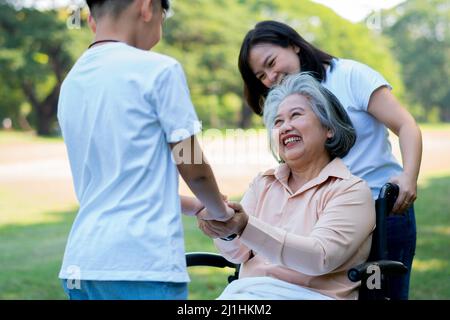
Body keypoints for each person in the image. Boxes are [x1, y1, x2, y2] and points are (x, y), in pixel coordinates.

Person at [57, 0, 234, 300]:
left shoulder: (72, 82)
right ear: (147, 7)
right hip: (141, 265)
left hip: (82, 265)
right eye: (164, 17)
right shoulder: (159, 70)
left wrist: (196, 207)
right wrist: (221, 214)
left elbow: (119, 181)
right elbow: (190, 160)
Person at [237, 20, 422, 300]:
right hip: (324, 215)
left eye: (272, 63)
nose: (271, 77)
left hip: (383, 208)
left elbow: (405, 124)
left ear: (294, 45)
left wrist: (409, 176)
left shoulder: (350, 75)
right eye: (261, 75)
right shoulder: (287, 105)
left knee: (383, 293)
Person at [197, 73, 376, 300]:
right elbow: (239, 254)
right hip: (248, 294)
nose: (285, 127)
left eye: (296, 115)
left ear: (328, 128)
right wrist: (226, 231)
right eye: (278, 122)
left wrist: (245, 227)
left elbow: (319, 257)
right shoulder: (263, 183)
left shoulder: (350, 191)